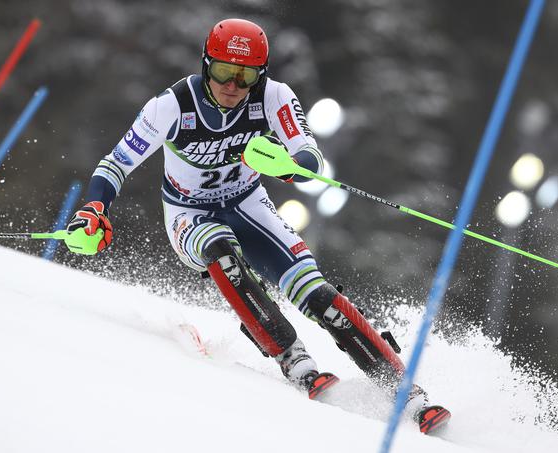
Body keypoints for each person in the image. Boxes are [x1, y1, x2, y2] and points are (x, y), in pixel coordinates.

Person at [67, 18, 449, 430]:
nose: (232, 85)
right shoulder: (172, 105)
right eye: (222, 72)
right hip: (188, 211)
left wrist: (291, 167)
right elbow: (116, 163)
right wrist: (94, 208)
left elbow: (311, 158)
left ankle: (407, 394)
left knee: (315, 293)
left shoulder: (273, 97)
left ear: (260, 75)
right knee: (221, 251)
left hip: (249, 204)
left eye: (245, 76)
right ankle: (293, 359)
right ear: (205, 65)